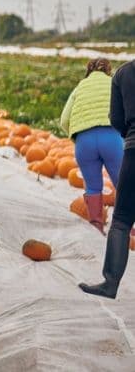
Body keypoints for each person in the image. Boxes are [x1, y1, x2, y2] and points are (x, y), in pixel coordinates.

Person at [80, 59, 135, 298]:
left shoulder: (124, 73)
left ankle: (110, 283)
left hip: (134, 148)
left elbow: (116, 120)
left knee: (122, 220)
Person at [60, 58, 123, 234]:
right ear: (108, 71)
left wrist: (77, 136)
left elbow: (64, 120)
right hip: (111, 137)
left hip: (84, 141)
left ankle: (97, 228)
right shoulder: (114, 84)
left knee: (93, 187)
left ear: (88, 71)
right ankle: (129, 230)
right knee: (124, 185)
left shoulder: (80, 87)